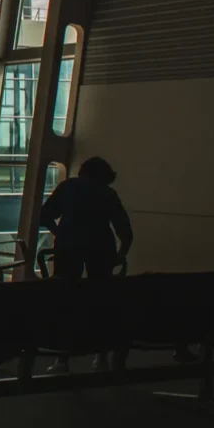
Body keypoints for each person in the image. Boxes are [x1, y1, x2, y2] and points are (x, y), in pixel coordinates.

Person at [41, 156, 133, 373]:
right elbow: (126, 232)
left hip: (69, 248)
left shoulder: (68, 187)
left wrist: (59, 233)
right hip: (101, 249)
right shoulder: (107, 194)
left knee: (66, 302)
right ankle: (101, 357)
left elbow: (45, 215)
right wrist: (120, 255)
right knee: (100, 303)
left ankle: (62, 359)